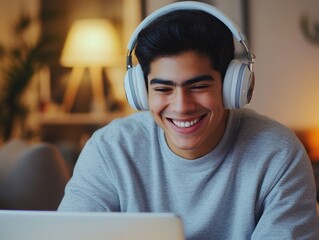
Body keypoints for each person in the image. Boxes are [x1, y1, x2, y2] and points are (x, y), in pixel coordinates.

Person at [58, 2, 319, 239]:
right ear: (141, 91)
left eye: (198, 86)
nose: (182, 107)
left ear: (231, 87)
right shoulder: (109, 150)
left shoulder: (278, 155)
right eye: (163, 89)